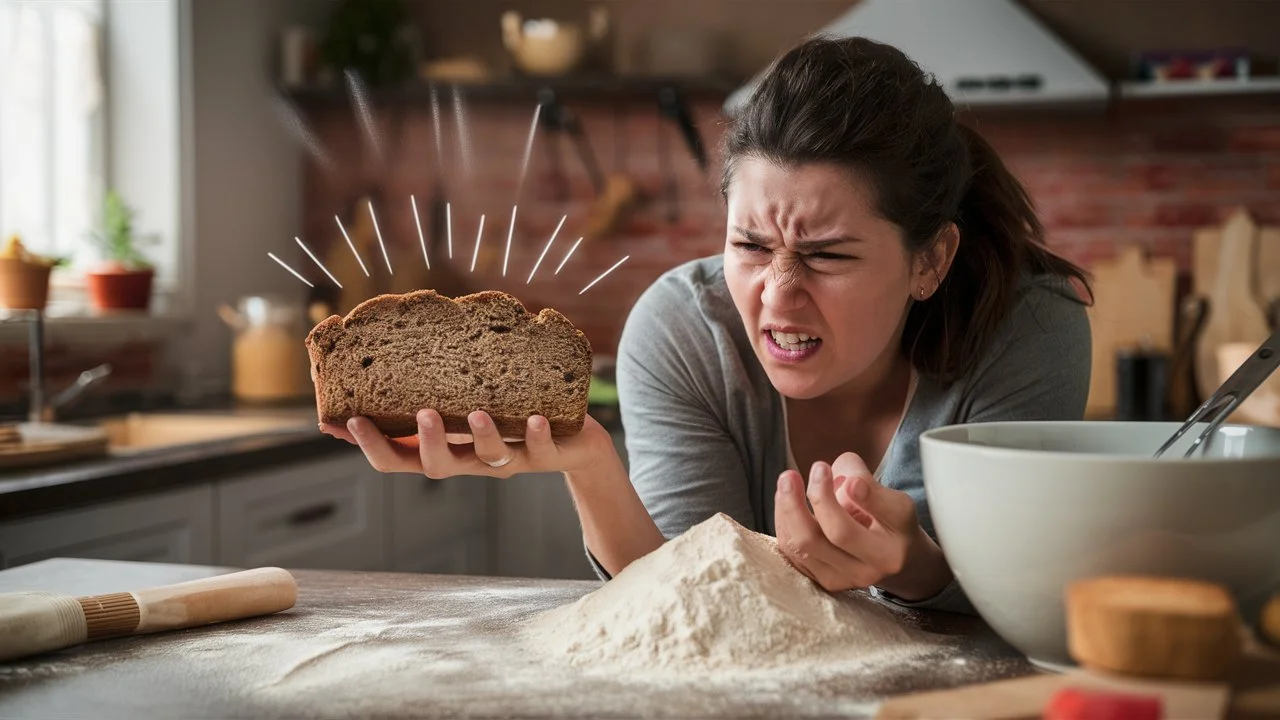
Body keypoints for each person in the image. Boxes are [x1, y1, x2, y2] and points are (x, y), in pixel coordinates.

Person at [320, 35, 1093, 614]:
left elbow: (1016, 600)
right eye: (751, 245)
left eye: (825, 257)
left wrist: (912, 564)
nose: (777, 296)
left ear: (930, 261)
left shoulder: (1029, 329)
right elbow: (685, 600)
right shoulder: (681, 331)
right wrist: (587, 462)